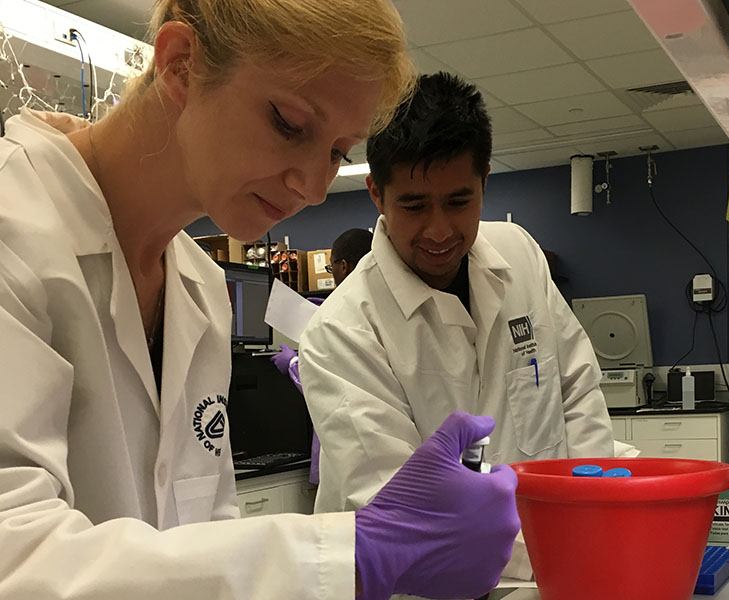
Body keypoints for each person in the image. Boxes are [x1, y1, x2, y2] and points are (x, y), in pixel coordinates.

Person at [0, 2, 519, 598]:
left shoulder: (198, 290)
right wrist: (353, 554)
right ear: (180, 64)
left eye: (335, 153)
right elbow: (14, 559)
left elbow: (202, 536)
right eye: (290, 124)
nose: (315, 187)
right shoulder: (13, 227)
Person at [298, 73, 614, 517]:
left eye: (458, 201)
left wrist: (591, 512)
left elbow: (577, 391)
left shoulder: (518, 253)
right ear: (376, 194)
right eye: (414, 206)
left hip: (551, 552)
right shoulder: (342, 333)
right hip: (418, 580)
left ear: (484, 180)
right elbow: (402, 507)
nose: (440, 230)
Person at [271, 227, 374, 484]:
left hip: (348, 453)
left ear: (343, 265)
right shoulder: (376, 308)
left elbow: (332, 390)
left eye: (331, 269)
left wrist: (294, 363)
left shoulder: (342, 317)